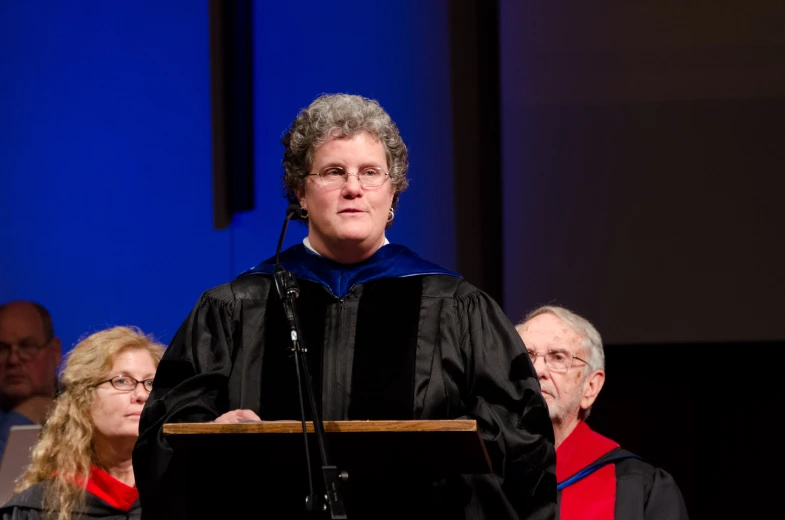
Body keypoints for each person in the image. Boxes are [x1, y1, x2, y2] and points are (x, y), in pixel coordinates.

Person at [133, 93, 556, 520]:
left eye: (370, 173)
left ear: (393, 193)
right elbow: (167, 434)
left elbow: (521, 448)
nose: (353, 188)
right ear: (300, 192)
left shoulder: (456, 307)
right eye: (334, 172)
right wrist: (211, 434)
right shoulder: (236, 308)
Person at [516, 305, 689, 519]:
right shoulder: (481, 477)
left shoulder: (640, 487)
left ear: (590, 387)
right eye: (526, 356)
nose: (538, 370)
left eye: (558, 357)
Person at [0, 326, 165, 520]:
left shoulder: (180, 495)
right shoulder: (37, 509)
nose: (141, 395)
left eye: (150, 383)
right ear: (83, 399)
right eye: (122, 381)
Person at [0, 301, 62, 461]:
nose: (13, 359)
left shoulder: (86, 408)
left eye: (27, 346)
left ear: (55, 352)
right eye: (2, 349)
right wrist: (24, 415)